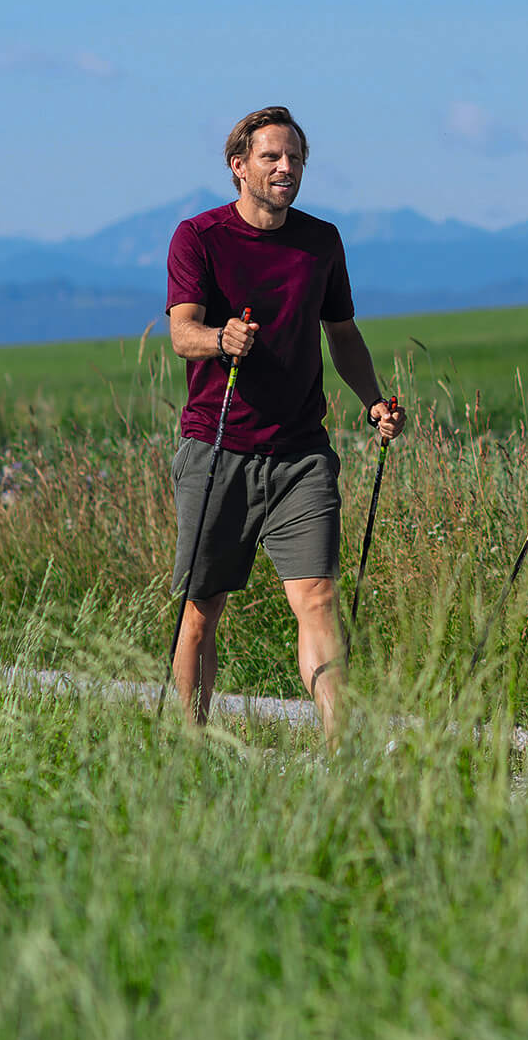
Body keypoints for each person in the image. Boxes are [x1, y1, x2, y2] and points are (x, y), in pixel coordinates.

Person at [166, 105, 403, 739]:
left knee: (318, 596)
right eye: (271, 156)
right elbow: (182, 333)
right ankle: (188, 748)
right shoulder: (199, 236)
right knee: (201, 608)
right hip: (218, 447)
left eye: (294, 157)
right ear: (238, 166)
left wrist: (373, 402)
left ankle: (342, 750)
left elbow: (343, 335)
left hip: (301, 453)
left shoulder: (320, 242)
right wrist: (221, 338)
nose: (285, 167)